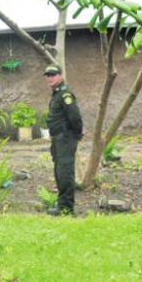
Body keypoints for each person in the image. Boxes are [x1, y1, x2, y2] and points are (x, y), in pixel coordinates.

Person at [43, 64, 83, 216]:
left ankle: (66, 208)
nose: (50, 78)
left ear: (60, 76)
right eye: (47, 75)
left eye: (53, 74)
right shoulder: (57, 94)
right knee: (60, 171)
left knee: (65, 172)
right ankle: (62, 204)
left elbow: (75, 116)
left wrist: (76, 134)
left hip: (65, 138)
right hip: (58, 139)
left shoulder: (65, 95)